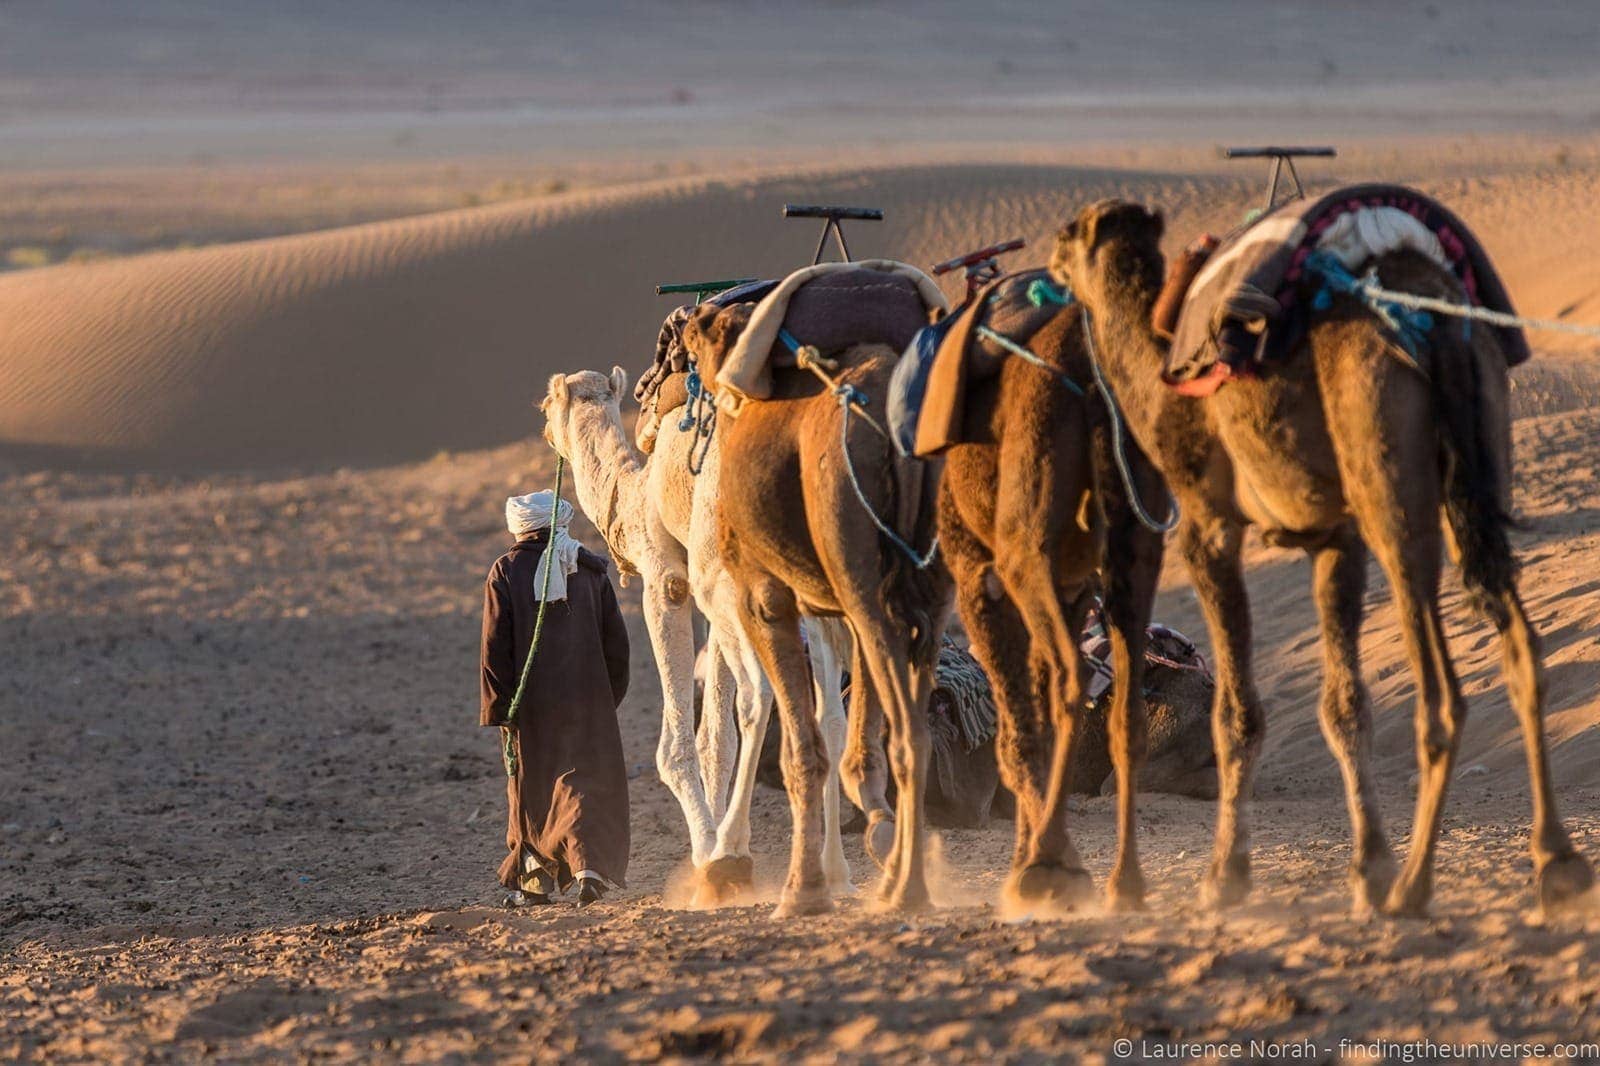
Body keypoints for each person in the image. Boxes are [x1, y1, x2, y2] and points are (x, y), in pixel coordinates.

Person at [480, 489, 630, 907]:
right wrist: (606, 698)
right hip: (590, 700)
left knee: (533, 789)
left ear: (521, 528)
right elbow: (617, 645)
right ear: (559, 523)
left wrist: (501, 708)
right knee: (584, 784)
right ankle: (588, 872)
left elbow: (494, 648)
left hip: (531, 707)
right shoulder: (590, 569)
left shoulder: (505, 571)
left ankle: (535, 886)